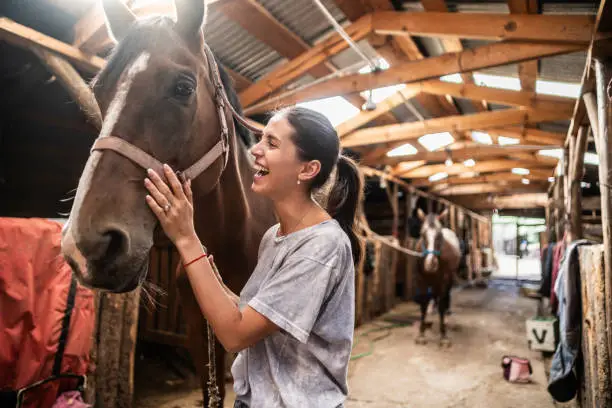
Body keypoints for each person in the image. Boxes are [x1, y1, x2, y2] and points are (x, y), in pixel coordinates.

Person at [143, 106, 364, 408]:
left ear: (307, 169)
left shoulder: (322, 246)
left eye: (271, 143)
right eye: (259, 139)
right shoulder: (274, 237)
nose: (255, 151)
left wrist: (186, 237)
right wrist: (209, 270)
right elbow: (252, 313)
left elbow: (235, 334)